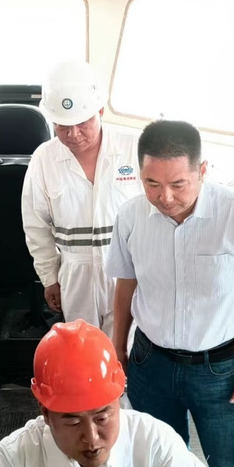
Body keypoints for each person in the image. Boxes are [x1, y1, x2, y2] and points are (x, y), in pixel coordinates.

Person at [106, 120, 234, 467]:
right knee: (156, 463)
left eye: (178, 184)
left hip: (217, 369)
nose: (165, 197)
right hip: (149, 362)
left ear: (202, 171)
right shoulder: (131, 216)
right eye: (152, 183)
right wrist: (117, 348)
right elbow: (126, 285)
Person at [0, 319, 212, 467]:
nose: (91, 438)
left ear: (119, 399)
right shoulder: (16, 456)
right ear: (45, 413)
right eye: (73, 422)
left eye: (102, 418)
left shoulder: (153, 441)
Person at [21, 60, 142, 336]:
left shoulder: (133, 149)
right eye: (62, 126)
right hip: (74, 275)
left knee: (124, 349)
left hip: (127, 273)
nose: (73, 134)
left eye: (82, 123)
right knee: (81, 348)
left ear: (100, 111)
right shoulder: (44, 159)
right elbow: (36, 226)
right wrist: (49, 278)